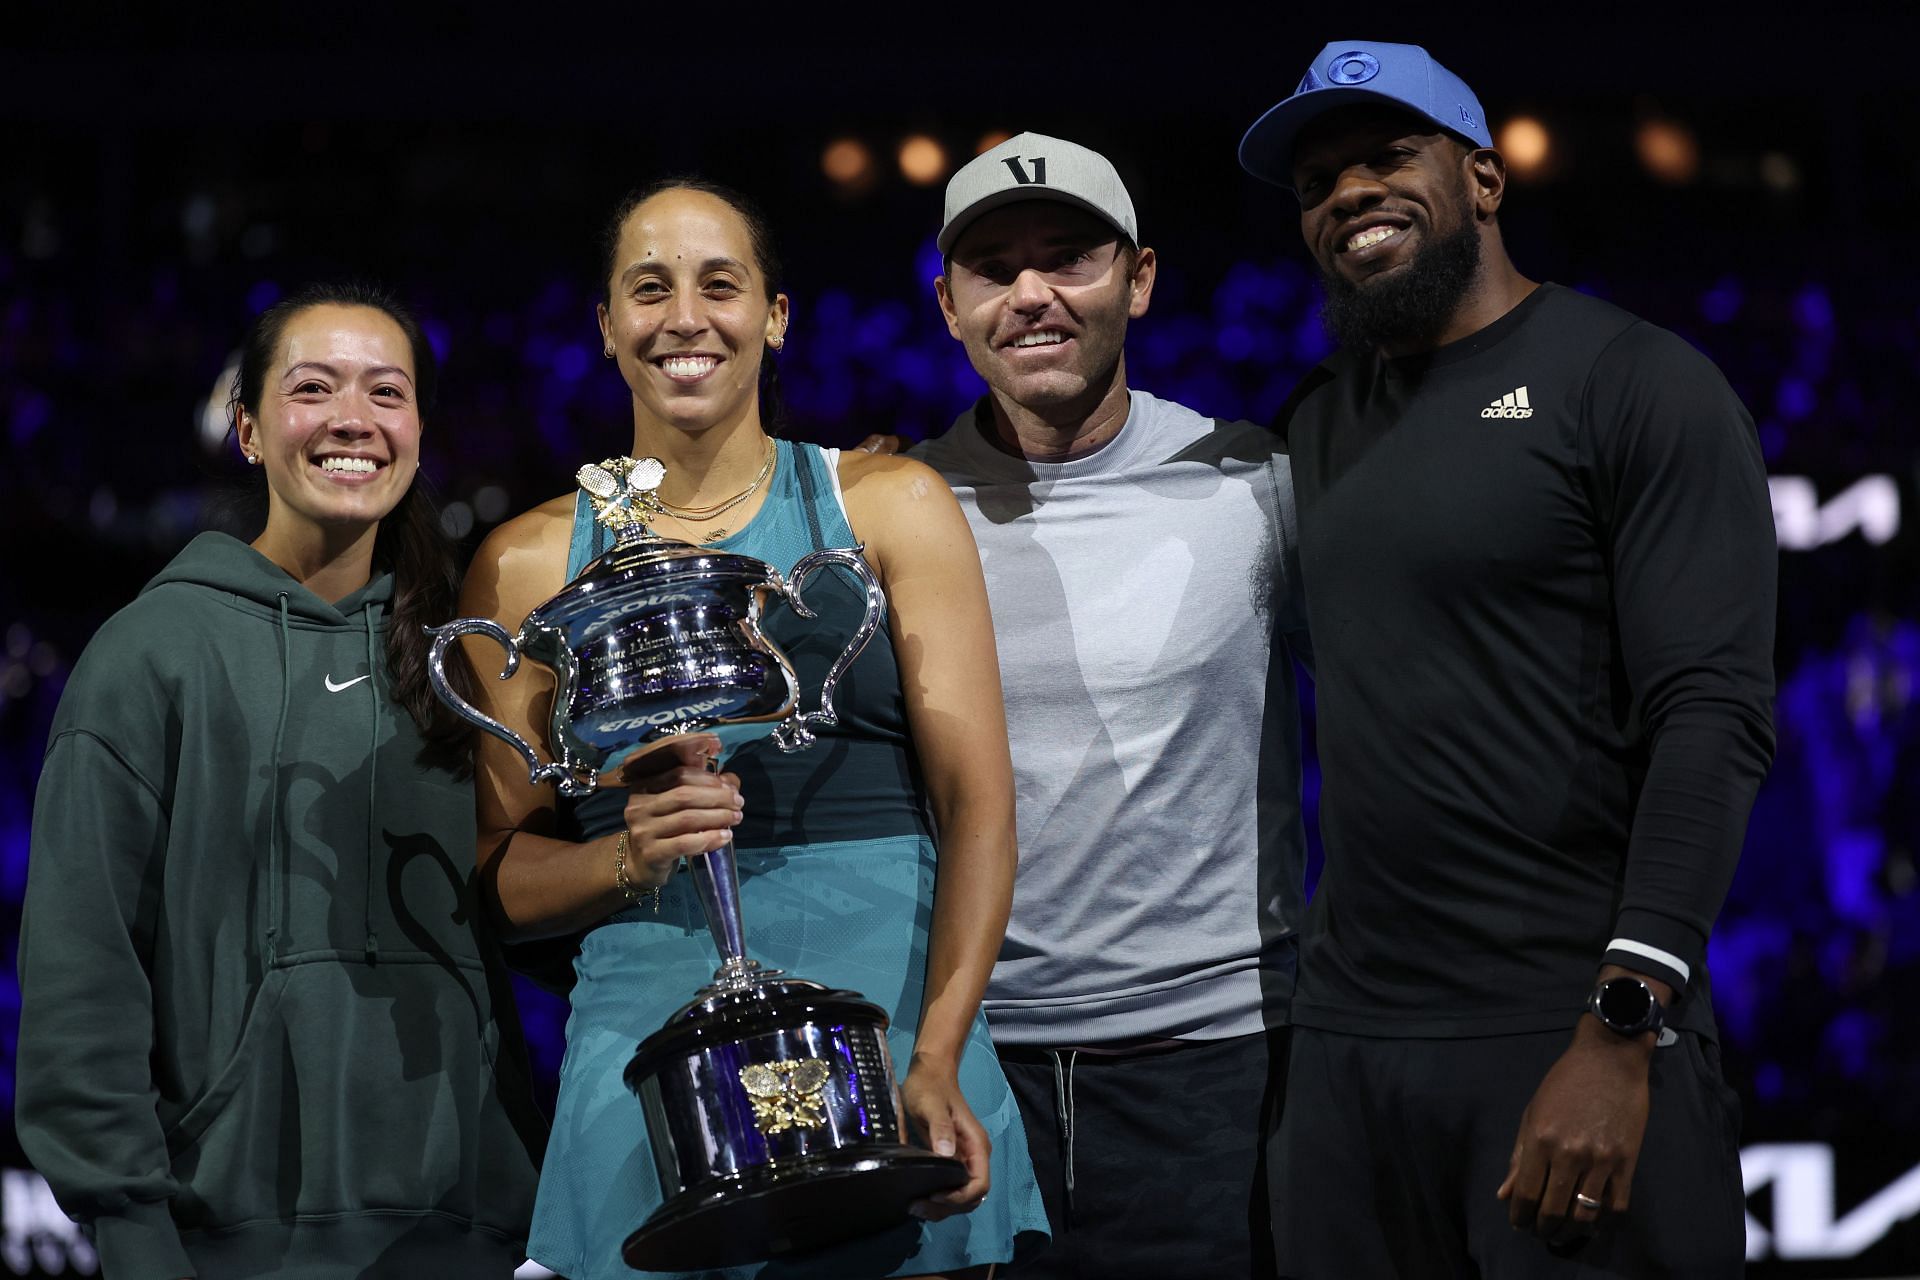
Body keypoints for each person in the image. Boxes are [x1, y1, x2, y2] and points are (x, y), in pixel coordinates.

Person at [1240, 41, 1776, 1277]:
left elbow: (1714, 711)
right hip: (1346, 1054)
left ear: (1482, 178)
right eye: (1321, 180)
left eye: (1388, 155)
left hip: (1567, 1029)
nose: (1349, 195)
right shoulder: (1314, 425)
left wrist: (1623, 1020)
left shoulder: (1635, 383)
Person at [458, 177, 1048, 1280]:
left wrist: (937, 1051)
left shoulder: (889, 503)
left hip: (890, 1033)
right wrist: (622, 856)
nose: (686, 315)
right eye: (649, 288)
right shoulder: (528, 560)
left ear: (776, 316)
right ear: (605, 327)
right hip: (645, 1043)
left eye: (720, 284)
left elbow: (979, 805)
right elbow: (501, 867)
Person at [16, 282, 544, 1278]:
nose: (353, 417)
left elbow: (517, 909)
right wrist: (131, 1225)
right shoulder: (150, 652)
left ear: (422, 432)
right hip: (228, 1243)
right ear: (251, 429)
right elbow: (83, 968)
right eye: (315, 387)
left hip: (462, 1237)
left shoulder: (466, 662)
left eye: (386, 391)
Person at [907, 133, 1312, 1278]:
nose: (1032, 293)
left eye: (1069, 257)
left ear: (1136, 278)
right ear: (950, 305)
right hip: (970, 1064)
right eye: (994, 267)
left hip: (1217, 1067)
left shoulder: (1253, 483)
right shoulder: (892, 512)